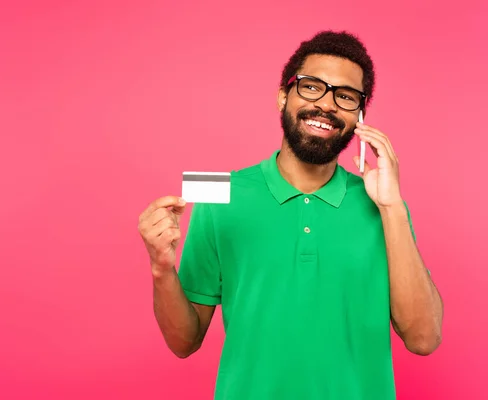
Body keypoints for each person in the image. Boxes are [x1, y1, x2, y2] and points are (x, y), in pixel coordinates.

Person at [137, 30, 443, 399]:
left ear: (359, 116)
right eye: (312, 86)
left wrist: (393, 207)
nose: (327, 105)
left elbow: (424, 338)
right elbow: (184, 342)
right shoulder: (221, 196)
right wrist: (160, 269)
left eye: (345, 96)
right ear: (283, 96)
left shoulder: (384, 204)